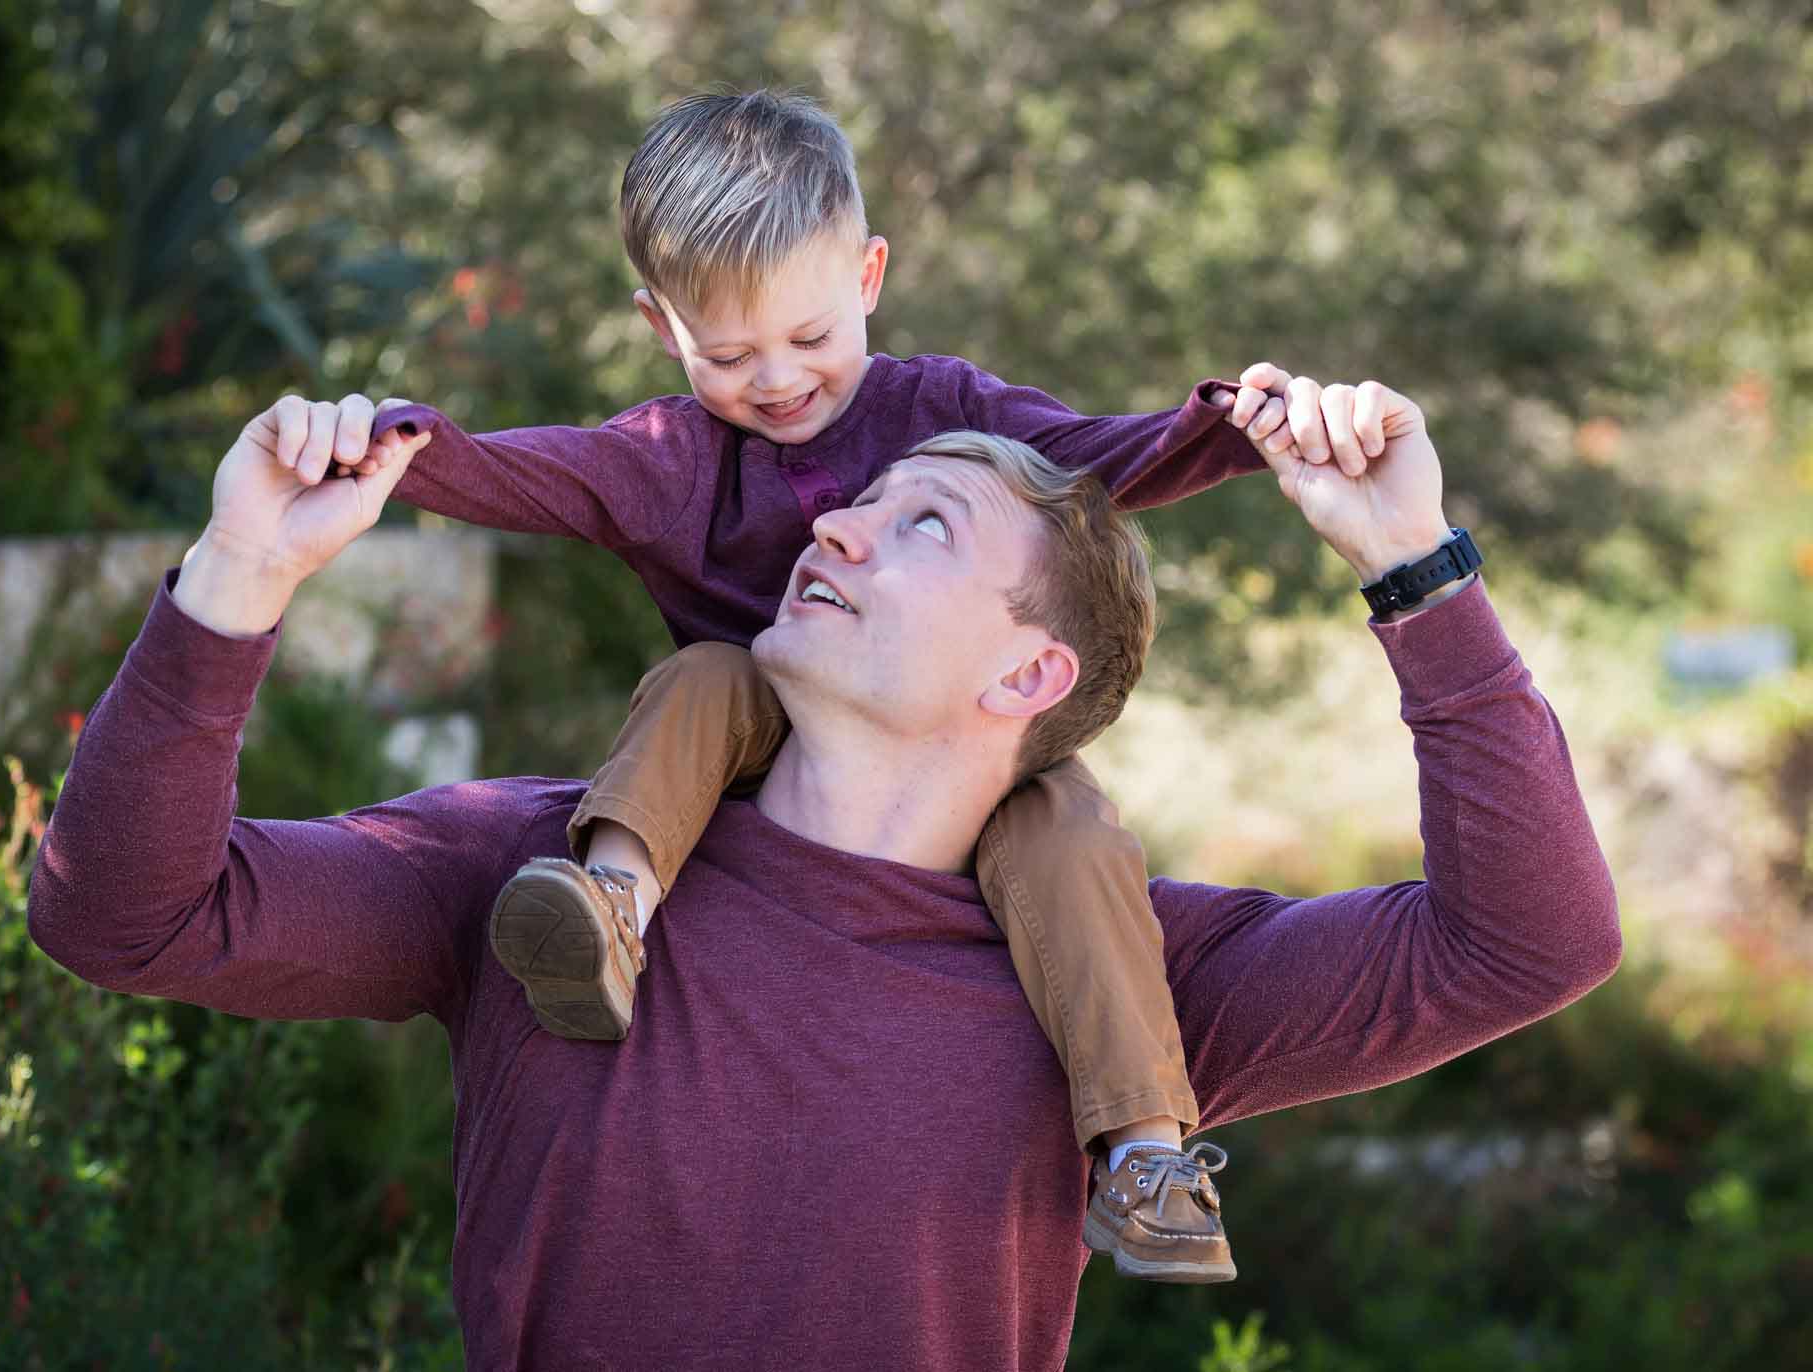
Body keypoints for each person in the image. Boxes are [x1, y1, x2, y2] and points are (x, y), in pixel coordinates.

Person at [29, 369, 1620, 1371]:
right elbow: (128, 916)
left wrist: (1417, 569)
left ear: (1029, 679)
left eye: (921, 527)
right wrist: (237, 574)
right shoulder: (541, 872)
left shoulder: (1125, 981)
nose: (838, 533)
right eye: (853, 505)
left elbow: (1529, 946)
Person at [342, 89, 1311, 1278]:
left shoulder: (938, 411)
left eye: (809, 338)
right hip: (758, 742)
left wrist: (1230, 426)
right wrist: (396, 449)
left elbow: (1094, 459)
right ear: (663, 326)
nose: (780, 381)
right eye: (731, 354)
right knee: (706, 671)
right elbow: (542, 476)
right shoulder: (674, 459)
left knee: (1068, 827)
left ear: (868, 275)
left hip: (945, 756)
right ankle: (607, 908)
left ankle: (1146, 1158)